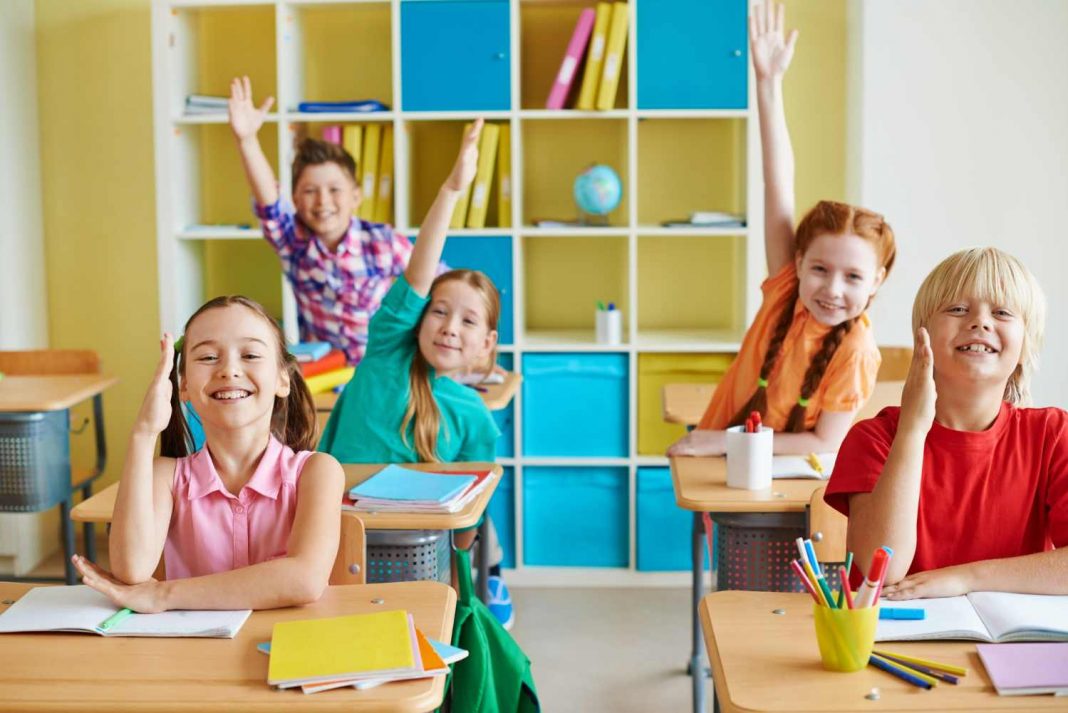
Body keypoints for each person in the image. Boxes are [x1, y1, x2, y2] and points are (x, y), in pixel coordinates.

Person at [669, 3, 896, 457]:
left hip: (778, 486)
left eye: (852, 276)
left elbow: (825, 442)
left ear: (877, 281)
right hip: (721, 463)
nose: (832, 288)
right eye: (820, 269)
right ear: (797, 263)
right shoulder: (787, 290)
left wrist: (716, 442)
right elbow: (778, 183)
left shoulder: (855, 349)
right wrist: (767, 84)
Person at [319, 119, 514, 627]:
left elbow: (468, 526)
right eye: (439, 311)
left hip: (417, 560)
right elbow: (418, 272)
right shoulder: (388, 353)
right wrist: (451, 190)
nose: (449, 327)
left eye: (468, 320)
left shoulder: (474, 415)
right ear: (418, 317)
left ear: (487, 344)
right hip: (334, 543)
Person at [72, 296, 345, 611]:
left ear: (283, 379)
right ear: (184, 385)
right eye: (208, 357)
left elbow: (304, 579)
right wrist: (143, 433)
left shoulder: (317, 472)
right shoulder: (166, 476)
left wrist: (163, 596)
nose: (229, 370)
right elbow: (132, 570)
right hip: (195, 655)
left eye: (251, 354)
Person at [826, 248, 1068, 597]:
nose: (980, 322)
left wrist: (966, 579)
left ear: (1025, 343)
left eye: (1001, 312)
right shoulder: (874, 439)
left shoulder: (1054, 435)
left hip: (1012, 644)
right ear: (921, 334)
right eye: (957, 309)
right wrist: (912, 429)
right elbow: (884, 569)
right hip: (896, 643)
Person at [228, 76, 443, 365]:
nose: (323, 201)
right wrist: (247, 141)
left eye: (334, 190)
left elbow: (440, 282)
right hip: (325, 374)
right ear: (295, 197)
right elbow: (270, 205)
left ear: (356, 196)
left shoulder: (383, 243)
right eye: (310, 191)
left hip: (383, 370)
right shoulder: (294, 244)